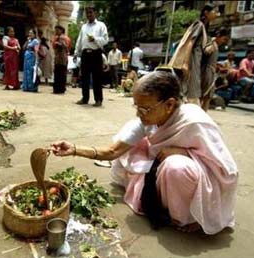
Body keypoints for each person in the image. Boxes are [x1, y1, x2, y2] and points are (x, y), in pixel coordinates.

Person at [50, 70, 238, 234]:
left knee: (176, 167)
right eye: (136, 107)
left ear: (170, 105)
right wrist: (73, 149)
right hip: (163, 173)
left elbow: (225, 171)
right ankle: (168, 209)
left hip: (198, 181)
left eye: (145, 108)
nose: (139, 114)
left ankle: (192, 217)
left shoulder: (195, 122)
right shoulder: (147, 121)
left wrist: (182, 152)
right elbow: (112, 151)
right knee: (136, 152)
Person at [168, 3, 219, 105]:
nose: (217, 14)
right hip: (191, 62)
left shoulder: (204, 28)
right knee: (191, 91)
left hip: (196, 64)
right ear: (206, 12)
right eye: (215, 11)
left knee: (192, 90)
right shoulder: (199, 25)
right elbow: (190, 43)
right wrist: (185, 63)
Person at [74, 4, 109, 107]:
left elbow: (105, 40)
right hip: (85, 54)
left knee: (97, 77)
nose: (88, 14)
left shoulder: (101, 25)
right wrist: (76, 52)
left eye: (90, 12)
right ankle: (85, 98)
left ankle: (98, 100)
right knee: (84, 77)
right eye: (87, 13)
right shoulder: (84, 27)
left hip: (96, 53)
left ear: (95, 13)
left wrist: (95, 39)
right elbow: (79, 40)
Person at [200, 28, 230, 112]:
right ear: (218, 36)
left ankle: (203, 114)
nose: (223, 41)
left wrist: (217, 65)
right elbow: (205, 53)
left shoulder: (216, 46)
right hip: (207, 73)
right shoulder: (212, 45)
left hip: (211, 72)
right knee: (204, 95)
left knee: (208, 96)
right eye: (223, 39)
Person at [52, 25, 71, 94]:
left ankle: (61, 89)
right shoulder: (56, 38)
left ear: (61, 30)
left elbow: (67, 47)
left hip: (63, 58)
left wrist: (61, 43)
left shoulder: (65, 38)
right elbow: (53, 46)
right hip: (57, 58)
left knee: (62, 73)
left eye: (57, 30)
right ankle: (56, 89)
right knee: (57, 73)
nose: (56, 31)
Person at [2, 26, 21, 90]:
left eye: (13, 31)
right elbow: (5, 46)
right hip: (8, 56)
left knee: (14, 70)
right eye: (11, 31)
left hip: (14, 57)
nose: (12, 33)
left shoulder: (16, 40)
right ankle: (7, 85)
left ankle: (15, 85)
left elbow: (19, 47)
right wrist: (13, 48)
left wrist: (17, 49)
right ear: (7, 32)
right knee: (8, 70)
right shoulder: (6, 38)